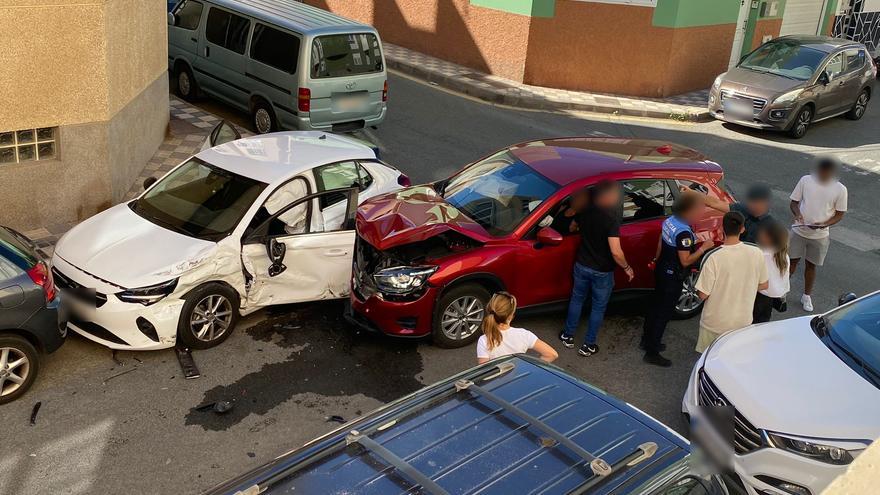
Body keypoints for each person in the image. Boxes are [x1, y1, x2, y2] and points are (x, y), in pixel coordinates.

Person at [559, 180, 634, 357]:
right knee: (598, 308)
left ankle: (567, 335)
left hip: (582, 264)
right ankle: (588, 345)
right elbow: (616, 252)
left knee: (577, 299)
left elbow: (572, 226)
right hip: (602, 270)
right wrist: (627, 267)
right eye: (617, 194)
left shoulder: (586, 209)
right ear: (609, 195)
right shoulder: (612, 219)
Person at [641, 194, 713, 367]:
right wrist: (704, 247)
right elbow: (686, 260)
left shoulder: (671, 221)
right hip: (672, 276)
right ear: (688, 211)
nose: (701, 211)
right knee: (664, 313)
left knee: (655, 306)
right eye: (699, 209)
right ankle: (652, 352)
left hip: (661, 269)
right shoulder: (683, 233)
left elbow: (661, 241)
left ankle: (647, 340)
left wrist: (655, 260)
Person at [694, 212, 769, 353]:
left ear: (722, 229)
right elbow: (764, 284)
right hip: (742, 322)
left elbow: (703, 294)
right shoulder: (757, 253)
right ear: (742, 229)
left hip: (714, 323)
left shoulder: (714, 258)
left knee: (708, 360)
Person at [789, 158, 848, 312]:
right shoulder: (805, 180)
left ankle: (806, 296)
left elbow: (840, 214)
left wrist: (824, 224)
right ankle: (782, 290)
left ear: (832, 172)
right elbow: (794, 203)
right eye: (821, 172)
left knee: (811, 266)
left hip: (820, 235)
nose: (823, 175)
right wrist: (797, 214)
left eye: (826, 173)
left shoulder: (840, 189)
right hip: (798, 230)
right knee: (791, 262)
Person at [476, 292, 558, 364]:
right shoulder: (524, 335)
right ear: (511, 316)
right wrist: (531, 368)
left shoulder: (484, 340)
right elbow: (552, 354)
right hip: (518, 379)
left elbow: (484, 371)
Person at [681, 182, 774, 244]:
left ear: (763, 203)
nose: (750, 205)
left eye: (754, 202)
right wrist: (693, 193)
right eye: (750, 201)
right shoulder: (743, 209)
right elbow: (715, 203)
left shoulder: (770, 226)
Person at [753, 221, 790, 323]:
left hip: (758, 297)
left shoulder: (761, 256)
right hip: (771, 297)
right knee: (763, 320)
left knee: (752, 322)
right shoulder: (784, 255)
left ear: (768, 238)